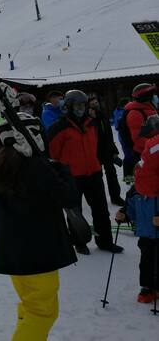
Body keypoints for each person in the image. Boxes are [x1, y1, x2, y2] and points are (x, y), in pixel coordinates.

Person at [0, 113, 79, 341]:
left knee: (31, 307)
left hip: (15, 253)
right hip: (38, 255)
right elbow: (69, 197)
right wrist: (61, 169)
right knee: (43, 313)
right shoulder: (36, 167)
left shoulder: (1, 164)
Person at [49, 90, 122, 255]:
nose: (81, 108)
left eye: (83, 105)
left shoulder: (92, 124)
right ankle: (79, 242)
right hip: (72, 176)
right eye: (77, 105)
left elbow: (99, 146)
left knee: (101, 210)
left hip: (94, 172)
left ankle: (105, 241)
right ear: (69, 106)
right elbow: (53, 153)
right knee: (76, 212)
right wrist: (60, 173)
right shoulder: (59, 127)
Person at [116, 115, 159, 303]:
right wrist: (125, 212)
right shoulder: (138, 185)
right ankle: (147, 287)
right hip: (146, 230)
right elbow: (133, 199)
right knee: (147, 258)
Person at [87, 95, 125, 206]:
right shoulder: (87, 119)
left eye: (96, 103)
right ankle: (99, 200)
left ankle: (116, 197)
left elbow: (109, 135)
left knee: (112, 174)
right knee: (97, 177)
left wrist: (114, 150)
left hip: (107, 150)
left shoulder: (103, 115)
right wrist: (92, 118)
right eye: (92, 104)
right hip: (95, 152)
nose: (95, 105)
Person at [122, 83, 158, 168]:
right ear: (146, 97)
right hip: (144, 154)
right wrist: (156, 145)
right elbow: (138, 139)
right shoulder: (135, 113)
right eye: (153, 95)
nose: (155, 97)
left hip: (155, 150)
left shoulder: (150, 109)